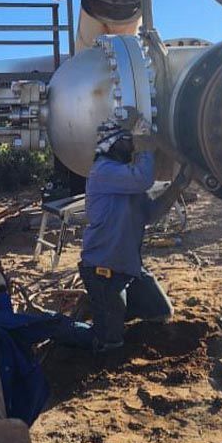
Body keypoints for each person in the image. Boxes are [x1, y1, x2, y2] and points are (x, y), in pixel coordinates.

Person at [79, 118, 184, 352]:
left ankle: (111, 307)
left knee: (161, 312)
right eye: (128, 141)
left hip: (128, 268)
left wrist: (178, 187)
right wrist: (147, 144)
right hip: (103, 270)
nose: (133, 146)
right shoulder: (103, 171)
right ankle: (101, 312)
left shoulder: (127, 180)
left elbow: (149, 214)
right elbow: (143, 178)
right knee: (111, 342)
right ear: (112, 144)